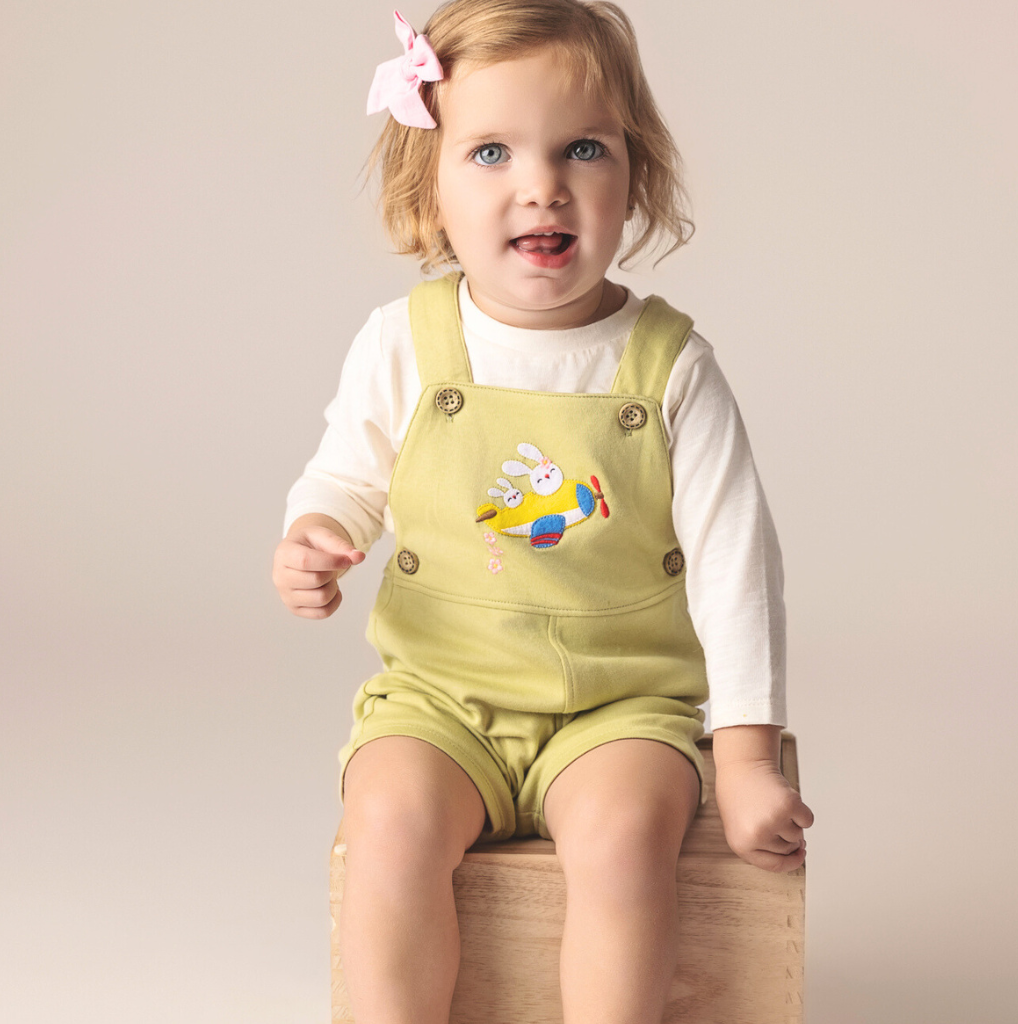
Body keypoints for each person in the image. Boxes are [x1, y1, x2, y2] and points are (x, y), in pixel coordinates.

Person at [272, 2, 815, 1021]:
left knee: (622, 838)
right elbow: (347, 472)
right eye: (488, 150)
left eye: (582, 148)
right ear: (427, 187)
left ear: (634, 174)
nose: (541, 185)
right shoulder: (405, 340)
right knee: (384, 812)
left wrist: (742, 756)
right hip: (440, 694)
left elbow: (737, 564)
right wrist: (315, 532)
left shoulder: (666, 365)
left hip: (618, 705)